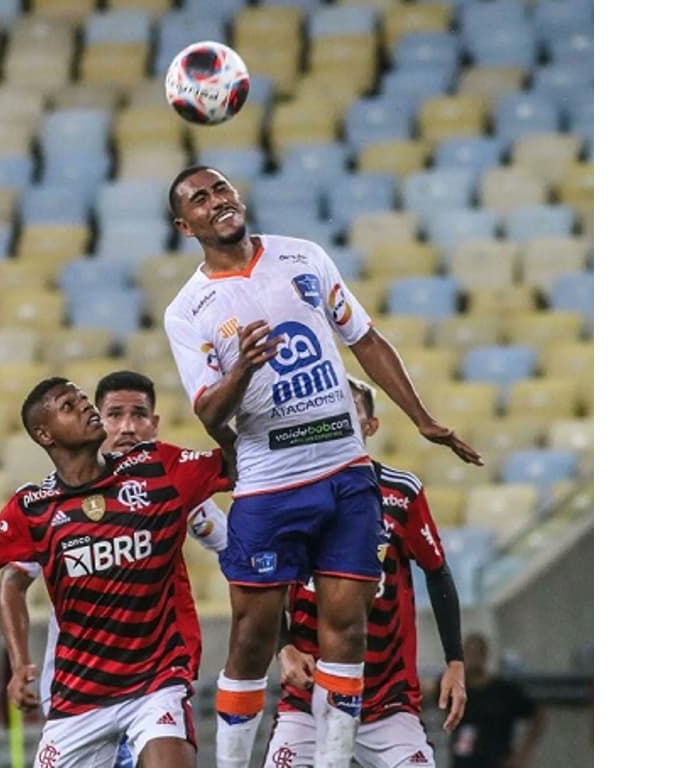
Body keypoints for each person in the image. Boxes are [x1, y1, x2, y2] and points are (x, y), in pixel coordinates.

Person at [162, 165, 483, 768]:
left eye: (222, 188)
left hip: (344, 473)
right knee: (252, 640)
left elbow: (364, 338)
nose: (217, 201)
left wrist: (421, 417)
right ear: (186, 226)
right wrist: (244, 369)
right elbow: (209, 414)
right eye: (200, 200)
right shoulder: (187, 310)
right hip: (267, 486)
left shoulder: (302, 257)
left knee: (346, 631)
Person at [0, 376, 234, 768]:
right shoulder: (32, 509)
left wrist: (220, 419)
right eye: (69, 405)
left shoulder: (156, 467)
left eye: (83, 399)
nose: (85, 406)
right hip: (78, 698)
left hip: (154, 684)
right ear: (44, 434)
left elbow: (236, 466)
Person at [0, 370, 230, 767]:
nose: (127, 427)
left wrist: (282, 642)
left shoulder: (174, 487)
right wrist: (20, 665)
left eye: (139, 415)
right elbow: (12, 579)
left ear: (154, 424)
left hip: (156, 680)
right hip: (81, 688)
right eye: (114, 415)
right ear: (97, 422)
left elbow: (239, 557)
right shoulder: (49, 505)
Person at [264, 376, 467, 768]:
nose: (337, 419)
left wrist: (455, 662)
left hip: (385, 705)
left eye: (349, 411)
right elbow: (263, 582)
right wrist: (283, 647)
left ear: (370, 427)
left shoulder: (400, 492)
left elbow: (437, 573)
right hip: (307, 703)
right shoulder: (286, 493)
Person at [447, 633, 545, 768]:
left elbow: (537, 716)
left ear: (484, 656)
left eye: (477, 654)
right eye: (469, 654)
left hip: (496, 761)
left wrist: (521, 756)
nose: (473, 659)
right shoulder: (456, 690)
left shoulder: (504, 691)